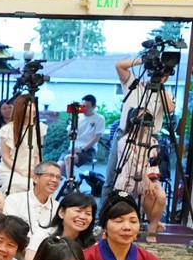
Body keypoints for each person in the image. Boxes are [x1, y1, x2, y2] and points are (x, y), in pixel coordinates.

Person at [105, 55, 175, 192]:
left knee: (146, 181)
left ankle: (136, 205)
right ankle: (108, 205)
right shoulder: (133, 84)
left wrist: (159, 85)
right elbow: (119, 65)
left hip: (149, 138)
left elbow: (170, 109)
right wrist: (145, 60)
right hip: (125, 134)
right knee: (112, 178)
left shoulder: (165, 94)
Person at [112, 110, 167, 243]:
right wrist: (147, 181)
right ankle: (153, 224)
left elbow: (153, 164)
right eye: (142, 117)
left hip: (149, 176)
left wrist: (153, 180)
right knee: (149, 192)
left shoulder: (153, 141)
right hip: (129, 178)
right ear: (133, 120)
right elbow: (132, 165)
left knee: (161, 196)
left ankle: (152, 226)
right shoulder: (125, 141)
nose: (146, 122)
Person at [23, 190, 95, 260]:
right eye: (78, 211)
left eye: (88, 214)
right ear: (61, 212)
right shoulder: (42, 237)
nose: (83, 217)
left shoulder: (91, 246)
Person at [0, 93, 47, 195]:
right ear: (20, 108)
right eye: (29, 105)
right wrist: (23, 172)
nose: (33, 108)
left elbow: (38, 154)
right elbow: (6, 158)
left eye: (34, 105)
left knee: (44, 187)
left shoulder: (40, 128)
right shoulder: (7, 129)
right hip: (10, 170)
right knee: (21, 185)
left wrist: (36, 172)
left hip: (31, 170)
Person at [3, 160, 60, 239]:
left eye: (58, 177)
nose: (55, 180)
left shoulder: (58, 208)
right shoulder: (14, 200)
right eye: (50, 175)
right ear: (36, 178)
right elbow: (11, 231)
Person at [63, 94, 104, 177]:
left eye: (87, 106)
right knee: (58, 166)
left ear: (94, 107)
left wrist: (82, 149)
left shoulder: (99, 119)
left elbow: (96, 137)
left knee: (69, 159)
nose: (84, 108)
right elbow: (69, 135)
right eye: (82, 106)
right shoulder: (77, 116)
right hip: (73, 148)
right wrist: (72, 128)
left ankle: (70, 182)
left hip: (88, 149)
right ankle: (72, 180)